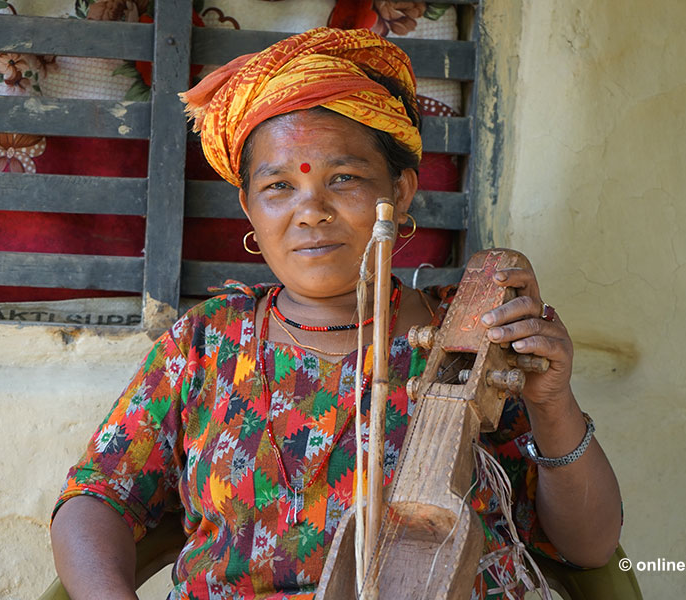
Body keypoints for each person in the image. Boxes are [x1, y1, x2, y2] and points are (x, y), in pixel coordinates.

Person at [50, 27, 622, 600]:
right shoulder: (205, 343)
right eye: (279, 187)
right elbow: (98, 497)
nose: (311, 212)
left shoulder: (471, 340)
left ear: (399, 193)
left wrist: (553, 403)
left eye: (343, 179)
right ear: (249, 206)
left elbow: (588, 549)